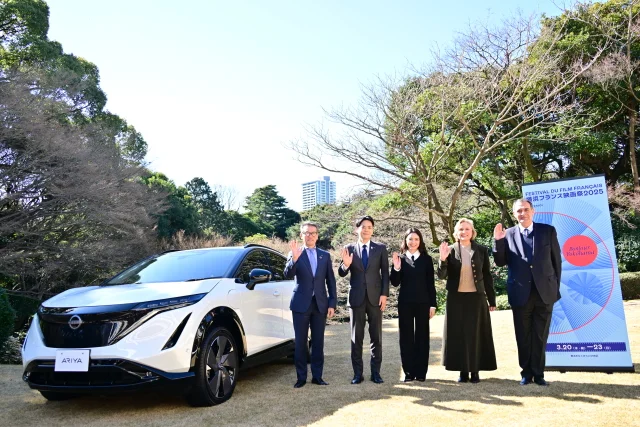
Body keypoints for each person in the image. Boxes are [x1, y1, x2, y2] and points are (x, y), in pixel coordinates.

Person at [493, 199, 562, 386]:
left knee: (540, 335)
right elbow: (500, 262)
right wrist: (498, 242)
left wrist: (554, 288)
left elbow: (557, 262)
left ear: (533, 211)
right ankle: (526, 373)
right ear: (514, 214)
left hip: (544, 293)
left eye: (525, 210)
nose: (522, 213)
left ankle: (539, 374)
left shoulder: (548, 231)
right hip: (520, 293)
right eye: (518, 211)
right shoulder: (508, 234)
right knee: (523, 336)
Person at [438, 218, 497, 384]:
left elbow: (487, 276)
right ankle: (463, 371)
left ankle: (475, 370)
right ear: (456, 233)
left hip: (476, 297)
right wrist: (442, 259)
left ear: (472, 232)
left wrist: (491, 300)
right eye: (461, 229)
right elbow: (441, 276)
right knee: (458, 334)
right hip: (456, 298)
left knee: (475, 334)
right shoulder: (449, 250)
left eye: (467, 229)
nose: (464, 232)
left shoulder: (482, 250)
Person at [284, 221, 337, 388]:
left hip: (320, 304)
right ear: (301, 235)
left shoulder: (325, 255)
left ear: (317, 235)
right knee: (300, 343)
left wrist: (332, 303)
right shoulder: (295, 253)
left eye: (313, 233)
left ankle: (317, 376)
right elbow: (287, 274)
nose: (310, 235)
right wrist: (294, 259)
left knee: (318, 342)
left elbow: (331, 281)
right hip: (300, 304)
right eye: (306, 233)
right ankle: (301, 378)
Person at [339, 215, 389, 384]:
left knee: (376, 337)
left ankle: (376, 373)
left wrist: (384, 294)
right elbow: (341, 272)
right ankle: (357, 374)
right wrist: (345, 264)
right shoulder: (349, 248)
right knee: (356, 338)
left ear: (372, 230)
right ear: (357, 229)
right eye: (363, 226)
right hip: (356, 299)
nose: (366, 229)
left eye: (370, 227)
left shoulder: (380, 248)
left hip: (376, 298)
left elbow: (385, 274)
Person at [390, 228, 437, 382]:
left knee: (422, 337)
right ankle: (409, 373)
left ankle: (421, 373)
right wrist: (396, 268)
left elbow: (431, 284)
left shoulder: (427, 259)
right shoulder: (400, 259)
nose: (413, 242)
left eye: (416, 239)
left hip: (423, 303)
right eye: (410, 239)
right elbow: (395, 283)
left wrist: (433, 304)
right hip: (405, 303)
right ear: (405, 241)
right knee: (406, 338)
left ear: (420, 241)